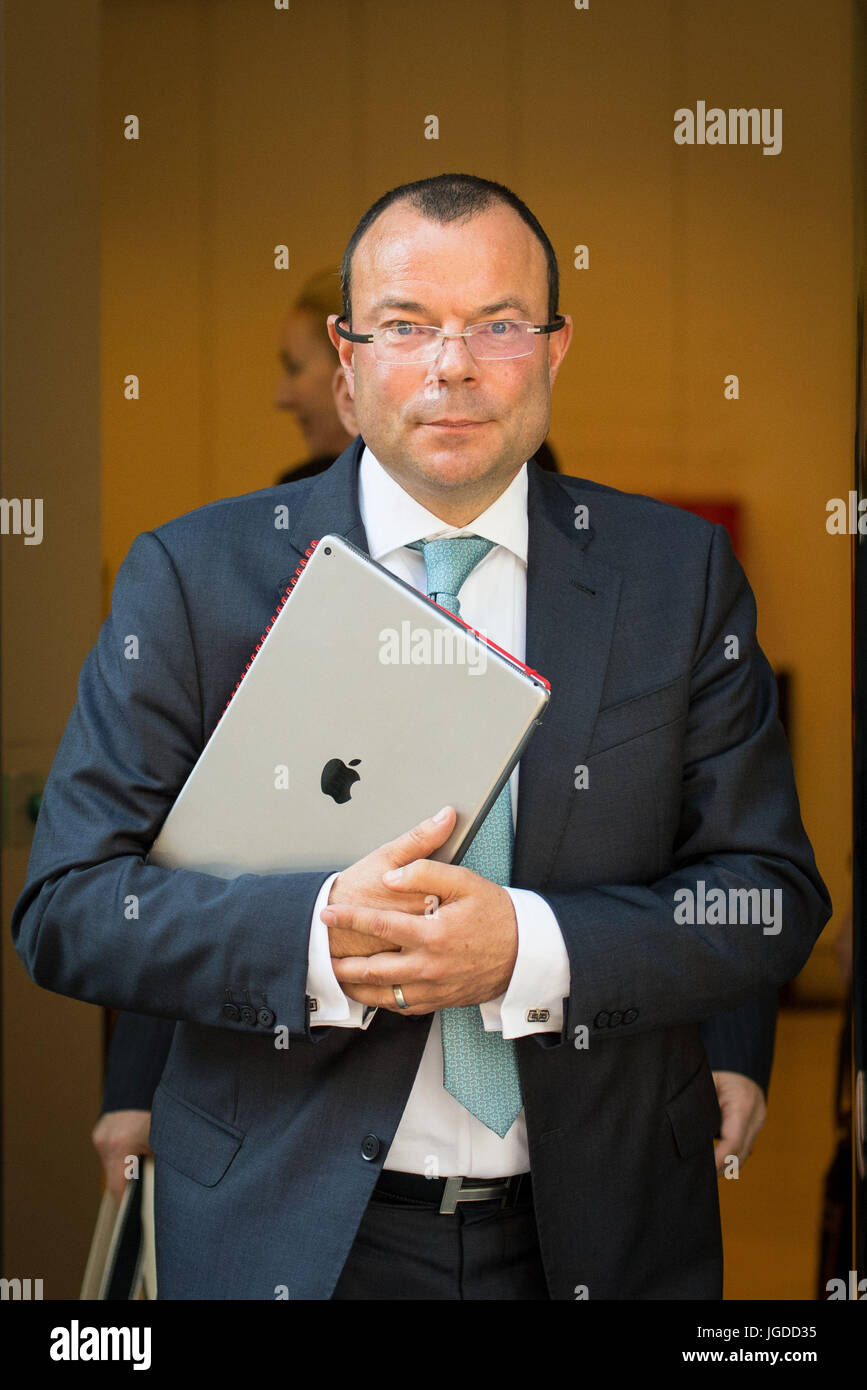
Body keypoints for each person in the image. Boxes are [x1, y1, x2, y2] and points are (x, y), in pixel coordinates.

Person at [12, 172, 829, 1300]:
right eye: (406, 326)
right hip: (287, 1232)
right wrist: (317, 937)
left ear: (554, 349)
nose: (454, 366)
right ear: (347, 364)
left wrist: (529, 950)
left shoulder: (674, 577)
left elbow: (767, 898)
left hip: (603, 1229)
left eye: (499, 324)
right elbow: (68, 906)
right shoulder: (195, 580)